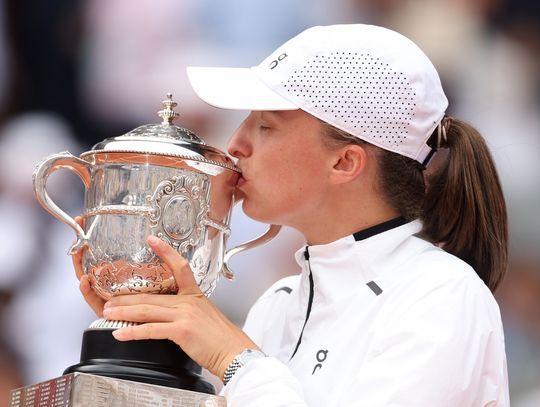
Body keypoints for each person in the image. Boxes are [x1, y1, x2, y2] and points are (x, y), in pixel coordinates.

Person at [74, 24, 510, 406]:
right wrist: (150, 343)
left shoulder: (442, 296)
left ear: (345, 163)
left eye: (266, 125)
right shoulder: (279, 303)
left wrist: (236, 359)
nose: (236, 144)